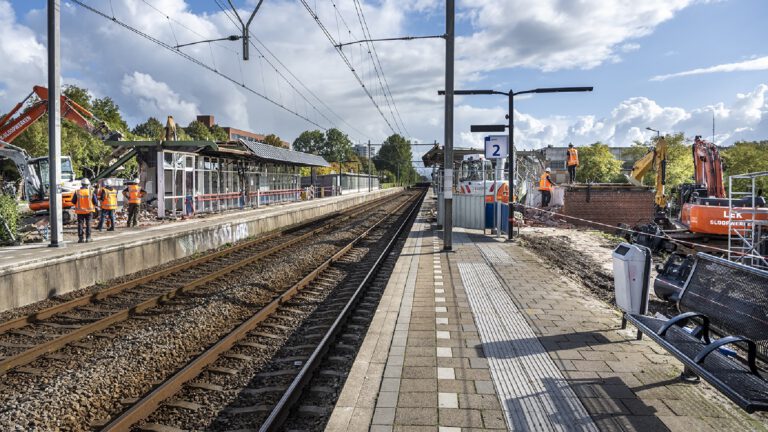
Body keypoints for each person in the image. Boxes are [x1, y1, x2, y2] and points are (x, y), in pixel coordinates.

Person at [71, 178, 98, 243]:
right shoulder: (91, 192)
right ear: (88, 184)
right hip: (89, 211)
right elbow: (95, 202)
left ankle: (81, 238)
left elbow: (73, 201)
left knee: (80, 224)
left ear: (81, 184)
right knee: (88, 224)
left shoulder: (77, 192)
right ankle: (88, 238)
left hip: (80, 211)